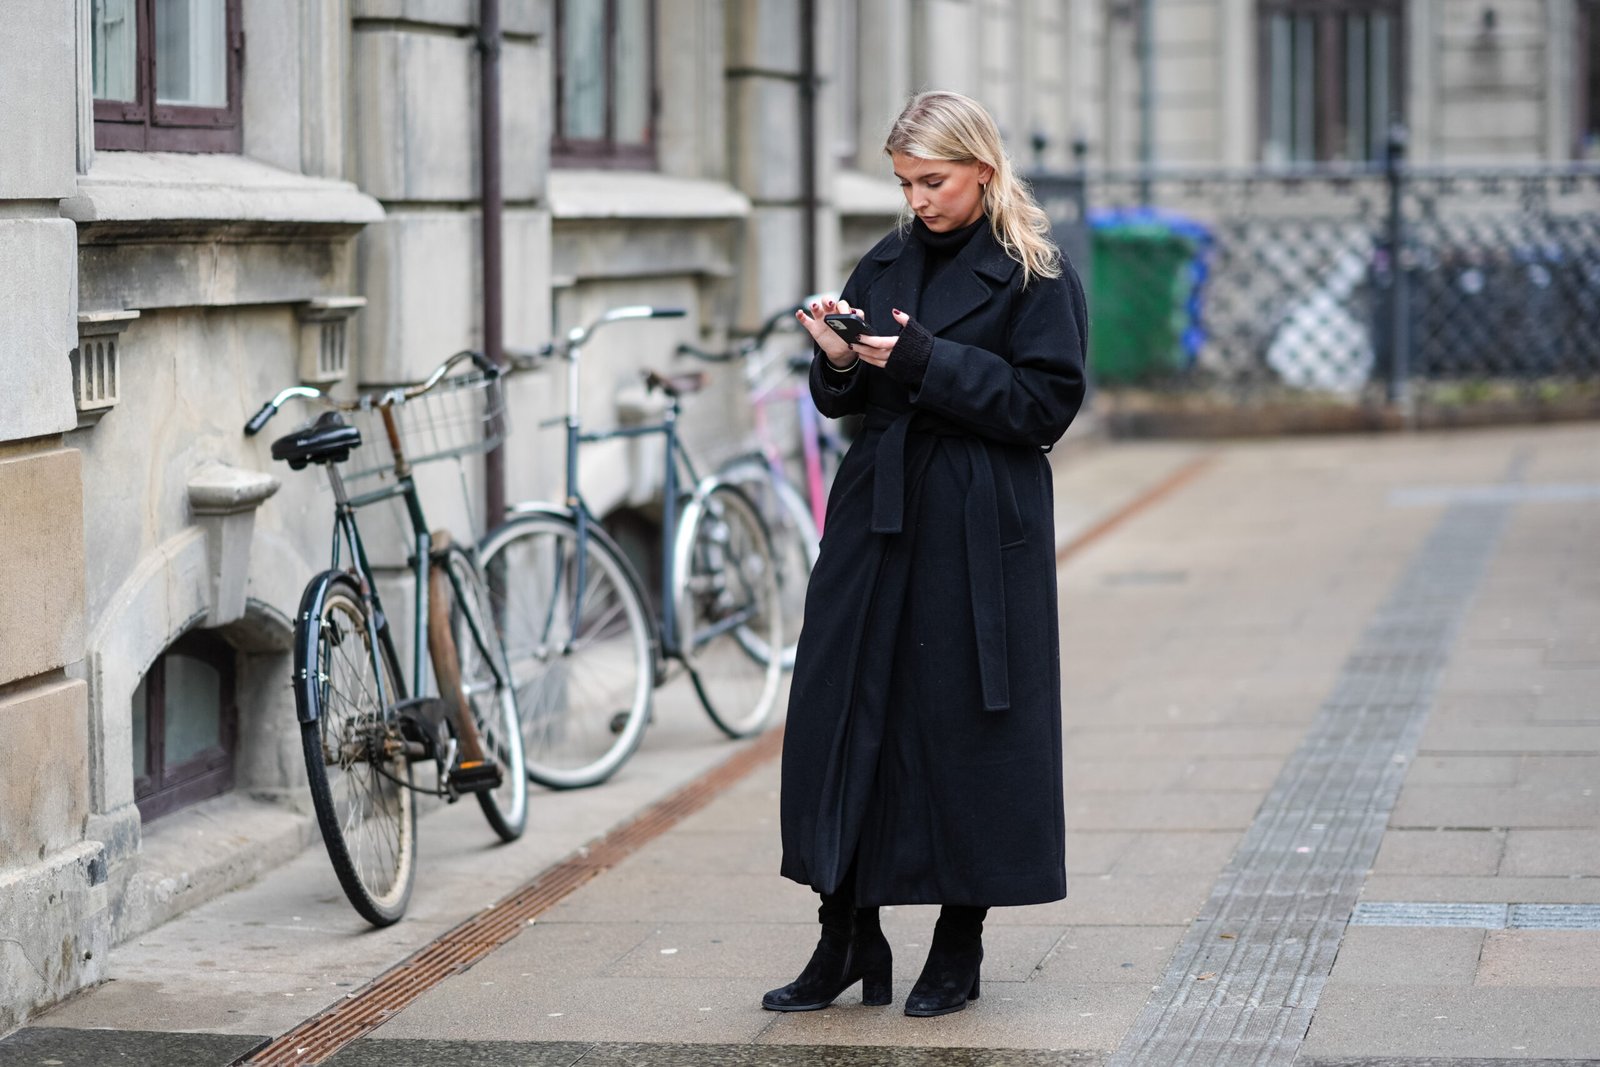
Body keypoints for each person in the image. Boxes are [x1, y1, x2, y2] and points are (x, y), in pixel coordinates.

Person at [763, 90, 1089, 1019]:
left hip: (980, 526)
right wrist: (834, 355)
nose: (917, 200)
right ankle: (844, 935)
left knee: (965, 725)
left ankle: (959, 943)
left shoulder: (1036, 272)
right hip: (878, 515)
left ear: (982, 170)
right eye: (905, 182)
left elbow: (1044, 407)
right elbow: (848, 399)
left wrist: (920, 362)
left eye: (933, 181)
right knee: (844, 709)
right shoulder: (890, 256)